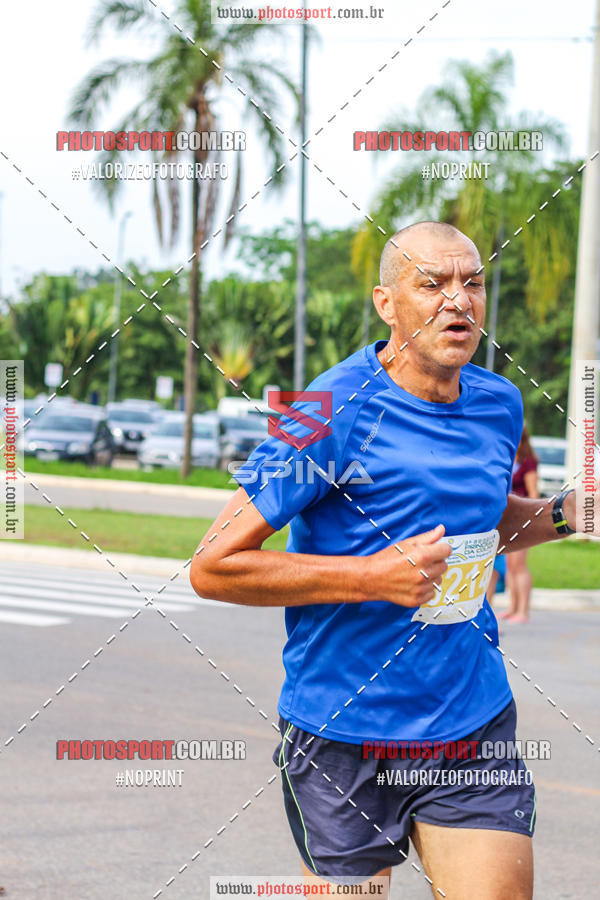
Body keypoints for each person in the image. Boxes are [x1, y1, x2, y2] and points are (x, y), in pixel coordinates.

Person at [190, 222, 587, 900]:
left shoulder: (499, 402)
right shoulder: (324, 411)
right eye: (432, 284)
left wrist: (567, 513)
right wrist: (374, 577)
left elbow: (480, 523)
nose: (458, 300)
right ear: (386, 303)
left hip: (469, 722)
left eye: (473, 283)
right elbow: (213, 564)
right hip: (343, 731)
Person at [501, 427, 539, 624]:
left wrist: (530, 521)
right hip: (508, 518)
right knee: (510, 565)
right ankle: (512, 607)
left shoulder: (528, 462)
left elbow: (533, 493)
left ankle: (523, 611)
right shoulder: (510, 458)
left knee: (519, 565)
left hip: (523, 519)